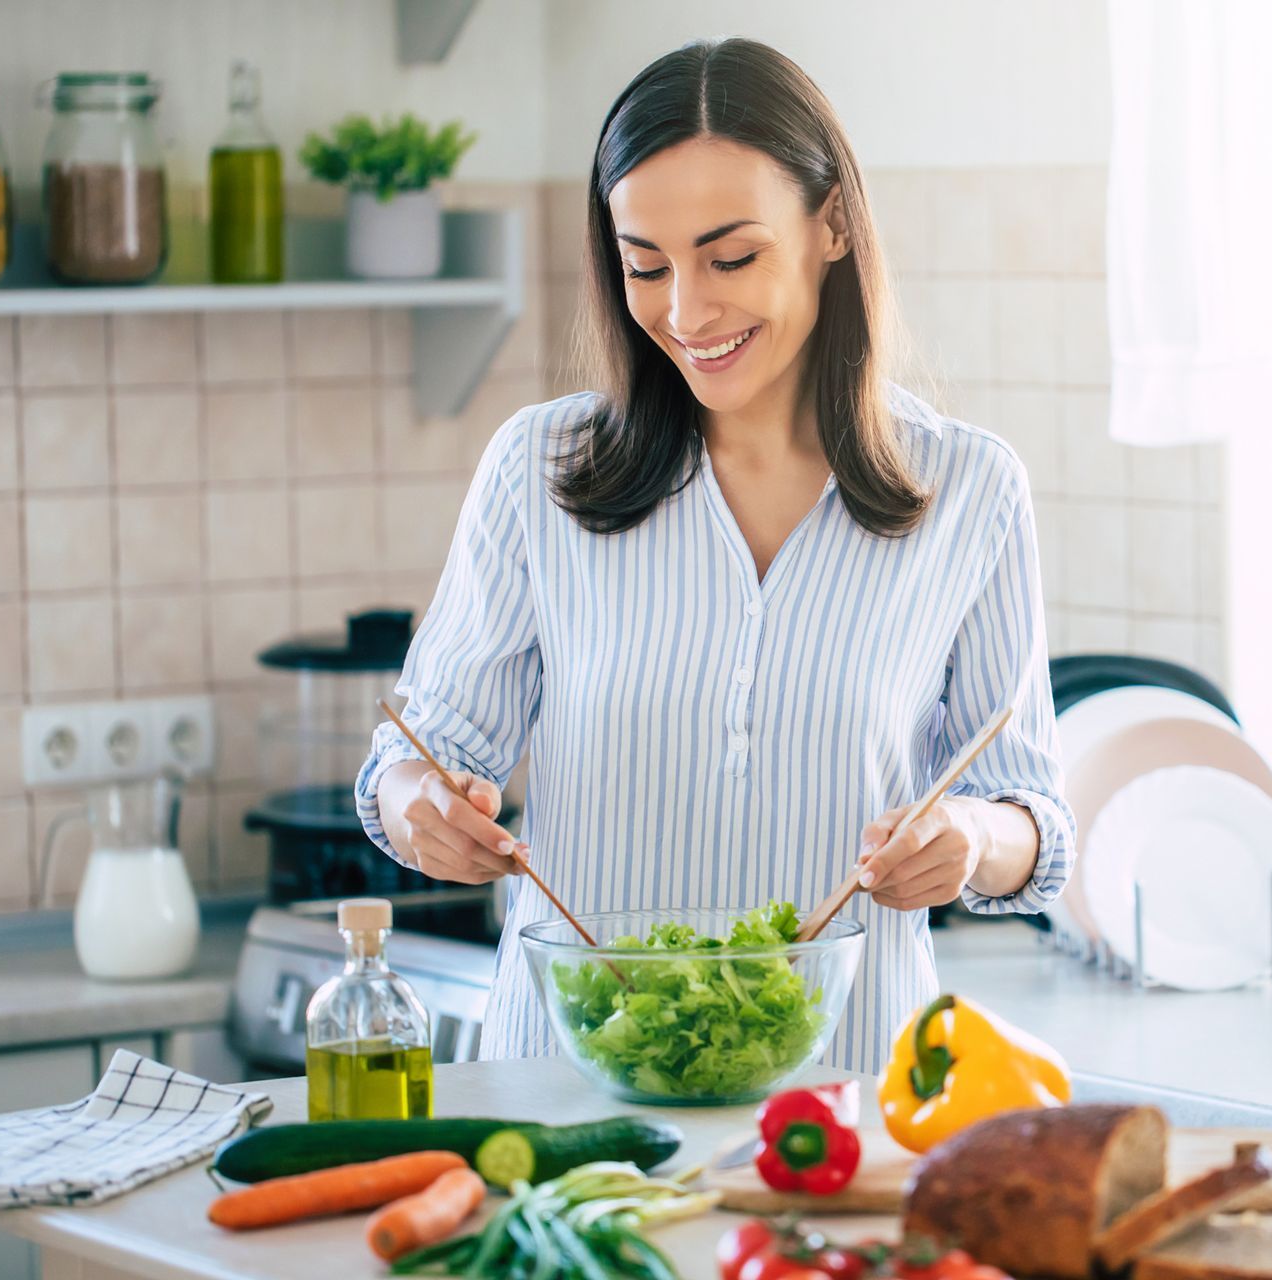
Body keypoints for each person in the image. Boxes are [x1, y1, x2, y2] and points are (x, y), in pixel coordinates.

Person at [355, 36, 1072, 1072]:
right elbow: (411, 760)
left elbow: (1036, 820)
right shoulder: (537, 471)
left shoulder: (970, 491)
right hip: (574, 1103)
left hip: (843, 1110)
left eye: (731, 257)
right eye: (647, 266)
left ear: (832, 224)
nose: (687, 314)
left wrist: (974, 838)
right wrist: (420, 808)